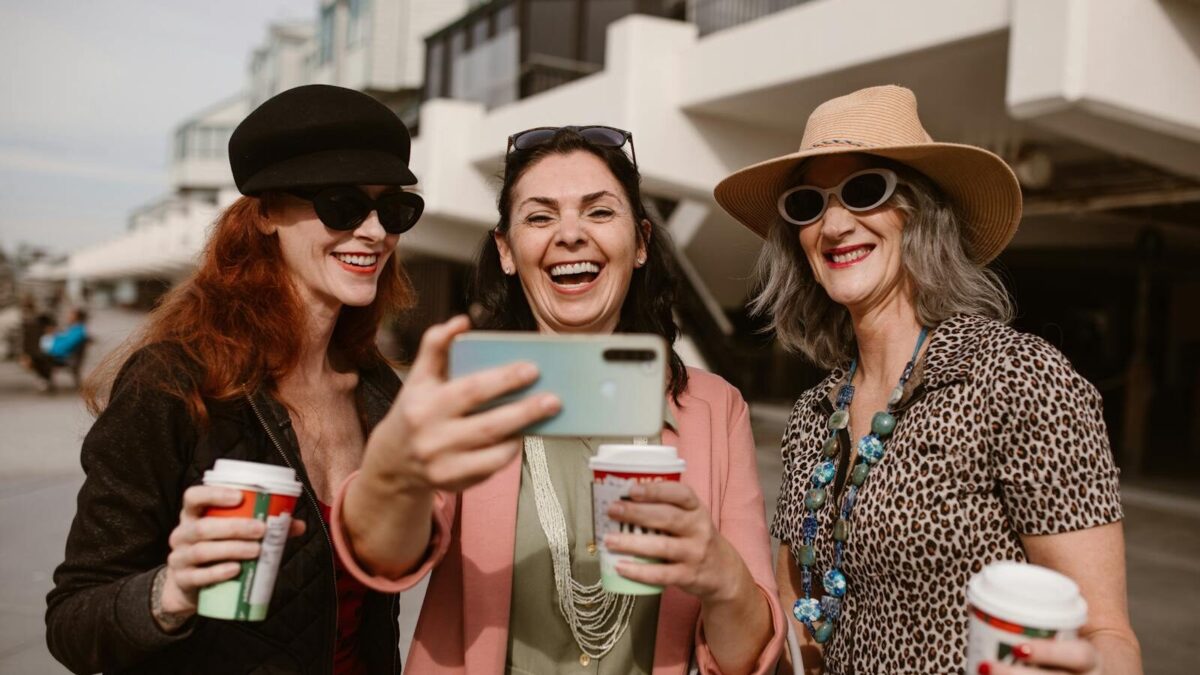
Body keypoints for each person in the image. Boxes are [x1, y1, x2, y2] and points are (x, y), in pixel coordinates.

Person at [713, 85, 1142, 675]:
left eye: (865, 191)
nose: (834, 224)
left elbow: (1106, 633)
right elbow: (799, 621)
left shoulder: (1017, 378)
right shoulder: (813, 416)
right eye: (808, 205)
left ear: (921, 213)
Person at [331, 127, 786, 674]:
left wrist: (718, 572)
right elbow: (386, 556)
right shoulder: (470, 394)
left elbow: (748, 660)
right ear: (505, 250)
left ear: (640, 243)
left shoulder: (716, 409)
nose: (570, 235)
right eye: (540, 217)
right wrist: (395, 469)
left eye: (598, 212)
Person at [45, 84, 426, 674]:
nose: (375, 231)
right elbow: (72, 621)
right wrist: (170, 593)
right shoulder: (173, 382)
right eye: (343, 205)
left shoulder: (379, 390)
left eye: (394, 209)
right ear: (268, 213)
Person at [28, 307, 88, 391]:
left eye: (71, 314)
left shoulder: (78, 331)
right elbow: (64, 341)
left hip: (63, 357)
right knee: (36, 357)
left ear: (77, 317)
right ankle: (45, 379)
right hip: (61, 355)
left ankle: (46, 380)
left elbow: (66, 346)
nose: (68, 316)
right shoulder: (74, 329)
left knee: (37, 357)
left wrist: (50, 350)